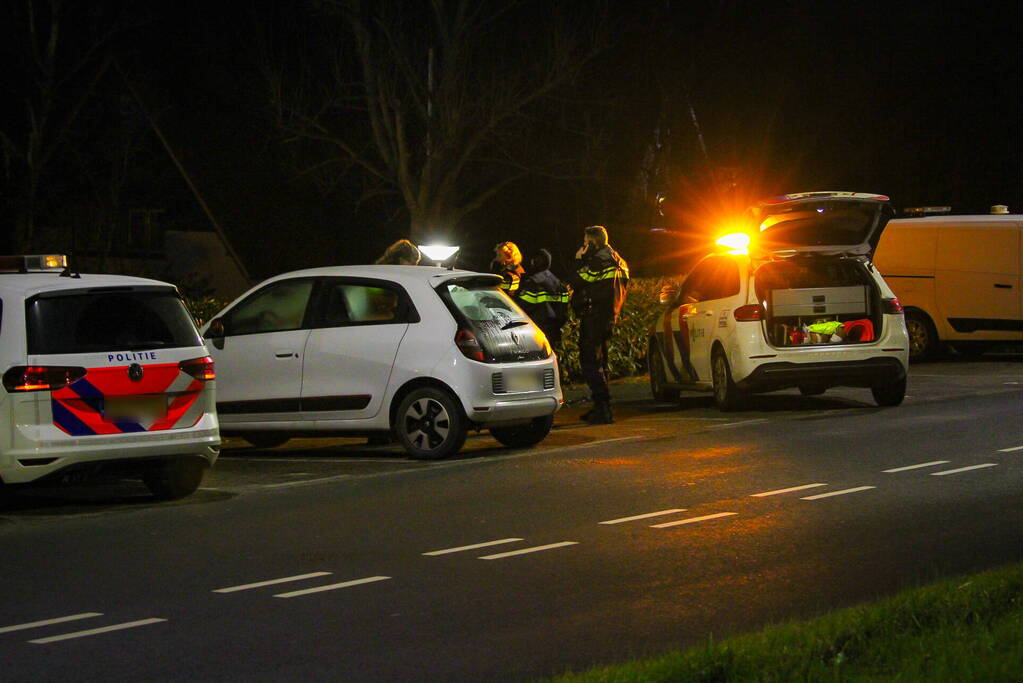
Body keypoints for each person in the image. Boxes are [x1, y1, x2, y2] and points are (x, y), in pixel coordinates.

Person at [570, 225, 629, 424]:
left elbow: (577, 281)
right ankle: (601, 406)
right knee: (600, 361)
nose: (583, 246)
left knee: (590, 360)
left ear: (593, 243)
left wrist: (580, 259)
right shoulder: (619, 259)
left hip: (594, 315)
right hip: (609, 316)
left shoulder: (597, 261)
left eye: (585, 243)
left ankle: (602, 408)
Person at [517, 248, 570, 345]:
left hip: (536, 331)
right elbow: (563, 311)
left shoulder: (532, 284)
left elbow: (521, 308)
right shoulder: (559, 284)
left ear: (534, 262)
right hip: (553, 331)